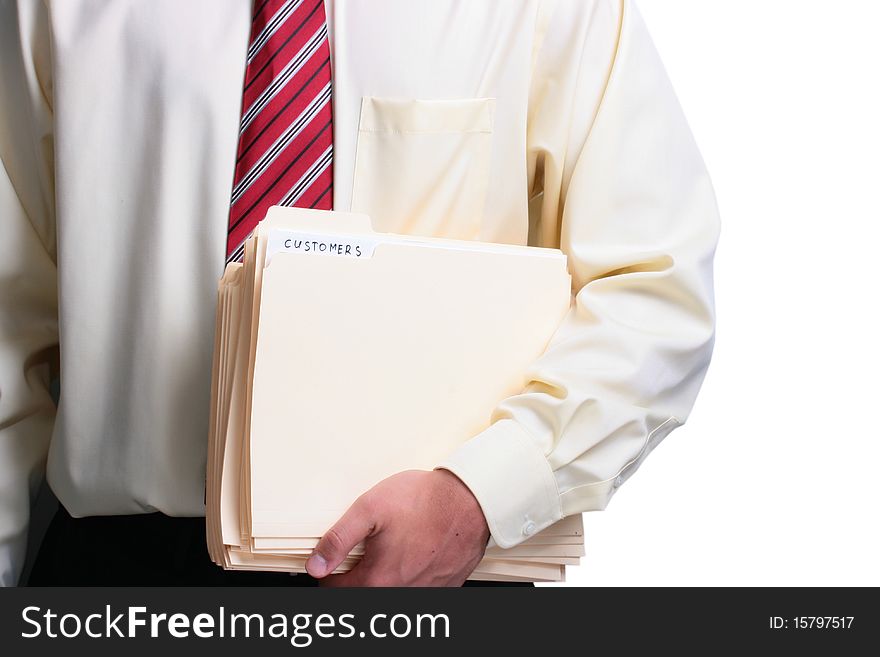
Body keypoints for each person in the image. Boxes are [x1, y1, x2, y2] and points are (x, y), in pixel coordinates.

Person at [0, 0, 719, 587]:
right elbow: (8, 322)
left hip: (434, 567)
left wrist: (482, 492)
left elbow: (653, 285)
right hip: (120, 579)